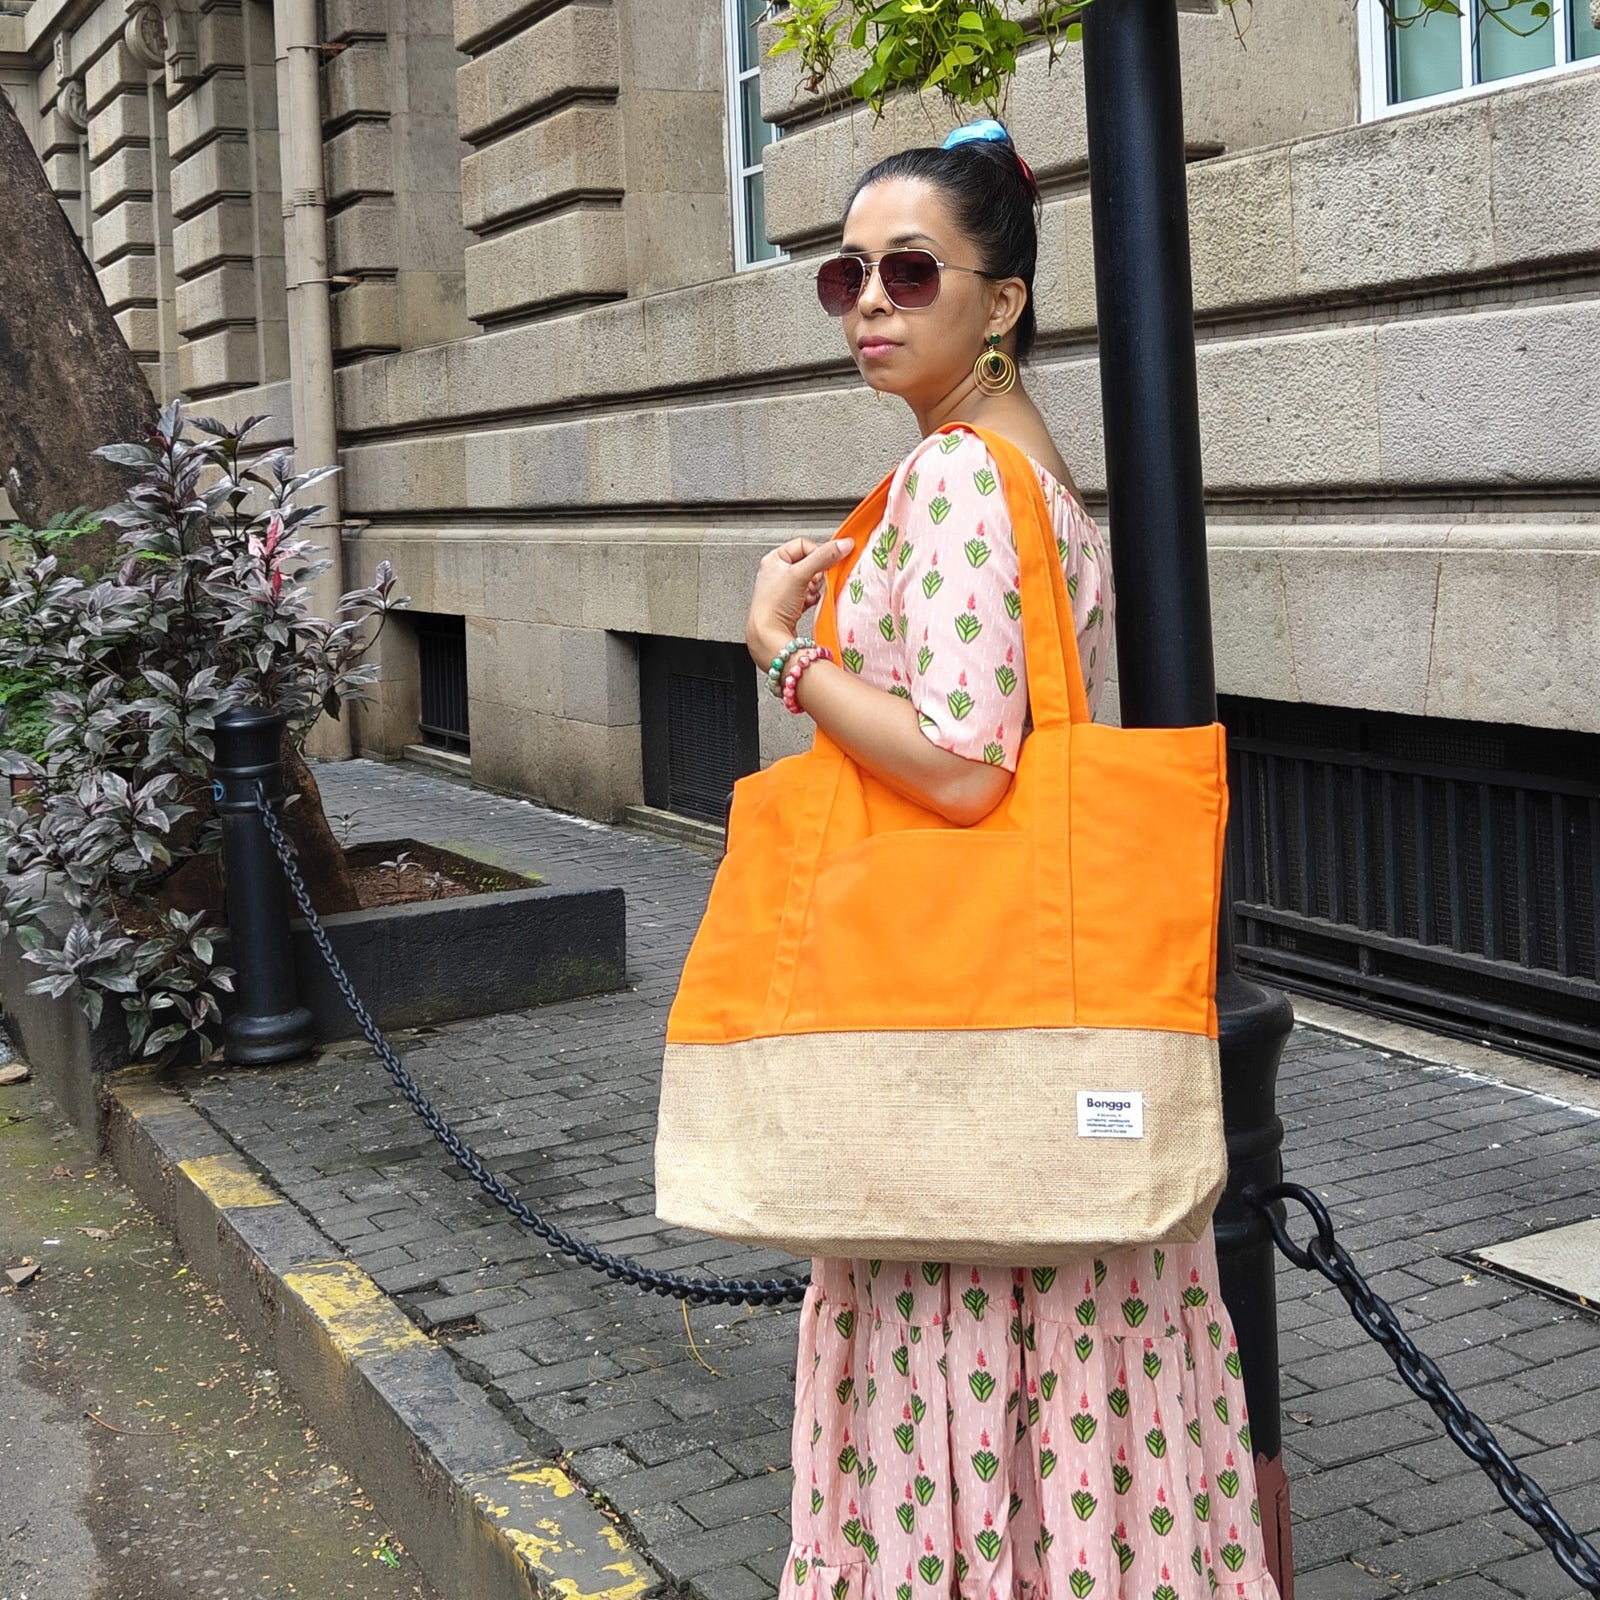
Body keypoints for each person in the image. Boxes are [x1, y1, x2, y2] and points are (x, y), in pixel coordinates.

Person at [740, 121, 1280, 1600]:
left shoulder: (959, 480)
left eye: (911, 270)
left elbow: (967, 767)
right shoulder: (1023, 469)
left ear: (1005, 300)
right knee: (1083, 1427)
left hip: (958, 1055)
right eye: (845, 272)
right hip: (1035, 1039)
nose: (870, 300)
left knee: (966, 1403)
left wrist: (787, 657)